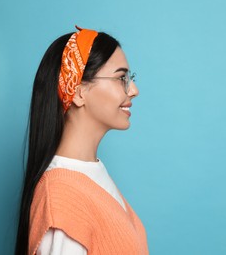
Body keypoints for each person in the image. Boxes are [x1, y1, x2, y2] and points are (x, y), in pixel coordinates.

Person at [15, 26, 149, 255]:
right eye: (121, 78)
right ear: (78, 92)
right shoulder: (60, 198)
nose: (133, 90)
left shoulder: (91, 174)